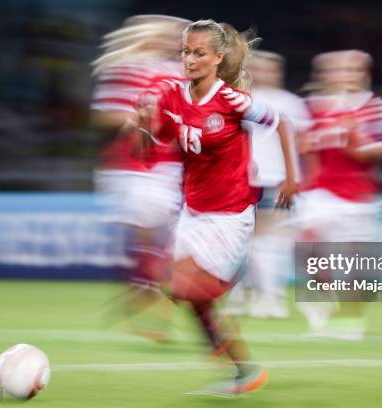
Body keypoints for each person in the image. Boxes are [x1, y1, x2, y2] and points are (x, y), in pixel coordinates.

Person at [134, 19, 297, 395]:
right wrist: (145, 127)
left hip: (229, 215)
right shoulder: (172, 95)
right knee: (192, 300)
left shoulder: (232, 101)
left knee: (186, 287)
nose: (189, 60)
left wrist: (291, 178)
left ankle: (233, 283)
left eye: (199, 53)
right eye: (186, 52)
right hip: (192, 211)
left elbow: (282, 123)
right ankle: (244, 371)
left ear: (217, 58)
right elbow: (152, 151)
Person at [90, 15, 188, 341]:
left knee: (185, 234)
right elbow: (105, 116)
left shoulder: (181, 73)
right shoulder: (128, 69)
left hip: (172, 165)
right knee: (150, 231)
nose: (173, 39)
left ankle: (142, 291)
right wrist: (138, 117)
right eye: (166, 33)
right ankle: (145, 291)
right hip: (135, 166)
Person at [294, 50, 382, 340]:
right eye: (338, 69)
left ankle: (351, 322)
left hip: (357, 193)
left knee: (353, 263)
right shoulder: (310, 107)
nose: (345, 75)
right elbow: (299, 144)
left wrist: (356, 145)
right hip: (318, 191)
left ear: (363, 74)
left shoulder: (373, 106)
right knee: (304, 244)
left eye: (352, 69)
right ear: (324, 75)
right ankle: (324, 297)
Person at [224, 50, 310, 319]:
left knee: (271, 241)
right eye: (257, 68)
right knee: (238, 241)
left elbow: (304, 143)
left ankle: (270, 297)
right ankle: (243, 295)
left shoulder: (291, 103)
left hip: (276, 178)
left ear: (278, 73)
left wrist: (293, 176)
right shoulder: (236, 98)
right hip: (240, 179)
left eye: (269, 69)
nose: (263, 74)